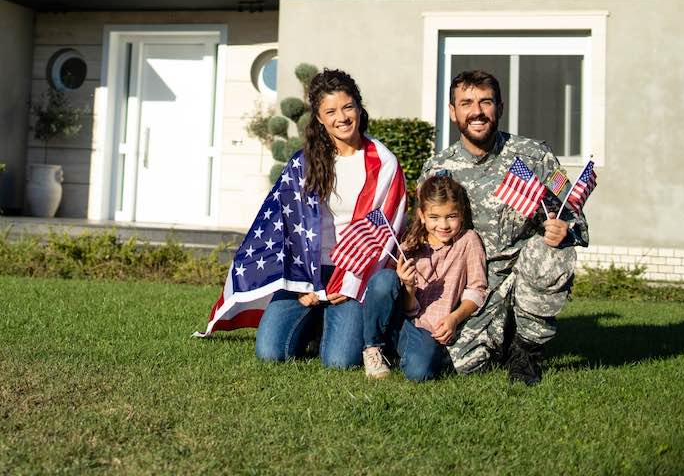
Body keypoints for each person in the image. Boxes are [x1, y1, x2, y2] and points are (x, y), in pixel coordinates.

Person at [197, 69, 406, 371]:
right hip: (305, 269)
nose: (342, 117)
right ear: (319, 118)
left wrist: (344, 283)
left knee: (339, 362)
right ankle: (314, 322)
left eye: (348, 107)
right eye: (330, 111)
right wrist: (302, 284)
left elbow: (383, 231)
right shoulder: (304, 161)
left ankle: (325, 323)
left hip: (353, 271)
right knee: (271, 352)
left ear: (359, 108)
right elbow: (282, 226)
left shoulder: (383, 162)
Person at [418, 70, 589, 386]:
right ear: (453, 112)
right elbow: (424, 238)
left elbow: (573, 212)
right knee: (457, 364)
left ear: (500, 107)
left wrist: (565, 229)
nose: (477, 111)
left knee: (548, 250)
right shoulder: (437, 169)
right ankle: (503, 334)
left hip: (525, 271)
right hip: (476, 284)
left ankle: (526, 354)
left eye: (486, 101)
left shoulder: (535, 156)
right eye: (466, 103)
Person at [361, 174, 487, 381]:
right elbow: (406, 306)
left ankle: (399, 352)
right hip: (400, 319)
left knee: (421, 373)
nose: (444, 225)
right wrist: (408, 286)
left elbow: (477, 289)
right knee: (385, 278)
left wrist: (455, 318)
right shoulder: (411, 243)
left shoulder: (468, 241)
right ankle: (373, 347)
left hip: (429, 327)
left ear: (462, 214)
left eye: (451, 216)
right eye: (435, 217)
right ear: (422, 215)